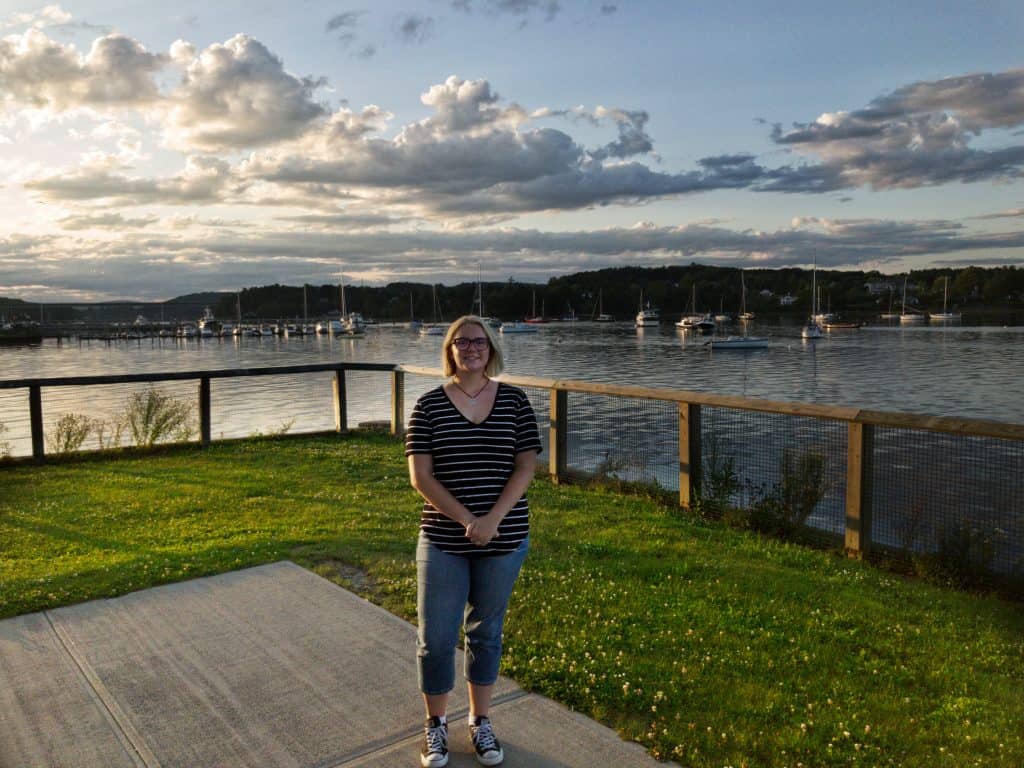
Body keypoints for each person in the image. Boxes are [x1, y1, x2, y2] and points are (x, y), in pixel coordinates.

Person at [406, 315, 542, 767]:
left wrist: (493, 519)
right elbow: (420, 477)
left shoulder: (515, 401)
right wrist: (469, 520)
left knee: (486, 634)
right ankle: (435, 726)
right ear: (449, 350)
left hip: (505, 538)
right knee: (436, 637)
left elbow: (526, 465)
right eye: (461, 342)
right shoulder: (427, 406)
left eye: (479, 341)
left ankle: (480, 721)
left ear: (490, 348)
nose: (471, 348)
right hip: (444, 539)